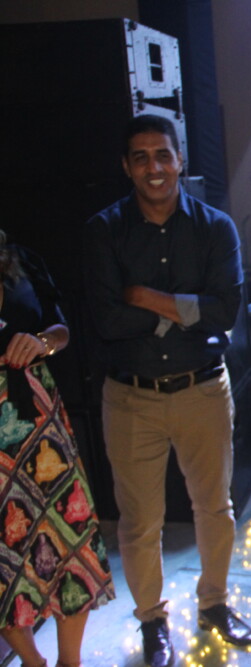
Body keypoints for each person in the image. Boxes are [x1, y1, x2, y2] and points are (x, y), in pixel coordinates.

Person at [84, 114, 251, 667]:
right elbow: (107, 321)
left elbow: (224, 313)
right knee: (139, 523)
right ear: (126, 166)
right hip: (130, 397)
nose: (153, 167)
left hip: (202, 390)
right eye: (141, 157)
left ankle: (214, 605)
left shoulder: (215, 228)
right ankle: (152, 621)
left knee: (215, 509)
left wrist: (144, 297)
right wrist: (183, 311)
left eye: (163, 154)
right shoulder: (105, 231)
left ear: (180, 160)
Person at [0, 229, 115, 667]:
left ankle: (71, 662)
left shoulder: (20, 259)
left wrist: (42, 342)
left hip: (40, 423)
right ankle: (33, 662)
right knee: (4, 553)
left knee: (68, 534)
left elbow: (60, 328)